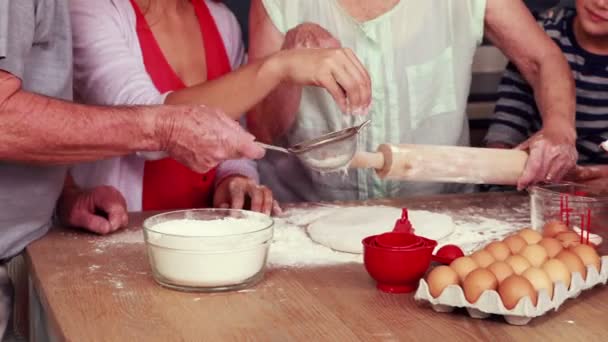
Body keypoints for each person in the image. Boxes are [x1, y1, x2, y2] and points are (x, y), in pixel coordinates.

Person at [0, 0, 267, 335]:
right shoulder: (90, 10)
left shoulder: (221, 20)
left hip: (21, 255)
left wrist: (65, 192)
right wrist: (163, 129)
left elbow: (33, 105)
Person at [247, 0, 579, 203]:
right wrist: (288, 63)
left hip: (439, 218)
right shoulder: (281, 2)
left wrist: (560, 128)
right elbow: (263, 130)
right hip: (307, 218)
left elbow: (542, 59)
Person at [68, 0, 371, 216]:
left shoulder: (221, 19)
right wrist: (278, 66)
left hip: (206, 245)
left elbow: (233, 133)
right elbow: (148, 123)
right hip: (124, 238)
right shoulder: (92, 9)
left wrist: (234, 179)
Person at [486, 0, 608, 185]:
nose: (600, 3)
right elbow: (509, 122)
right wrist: (499, 168)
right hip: (535, 185)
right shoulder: (542, 35)